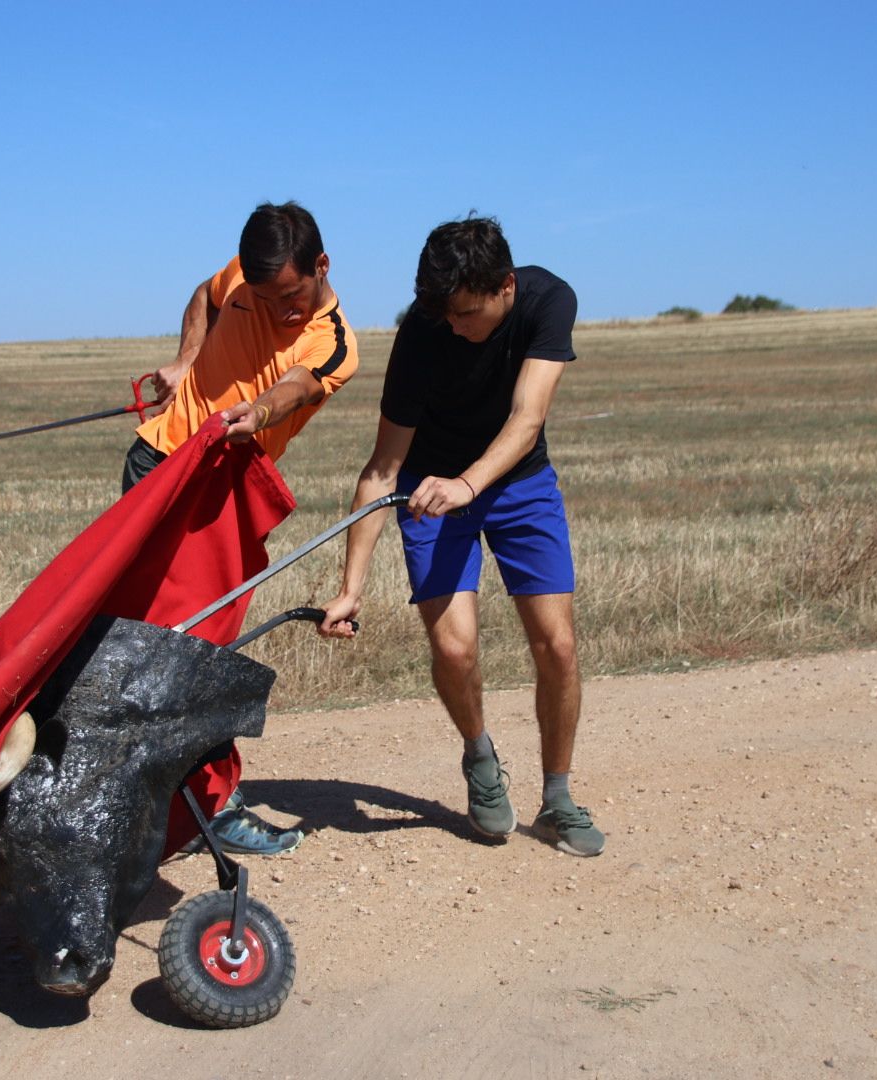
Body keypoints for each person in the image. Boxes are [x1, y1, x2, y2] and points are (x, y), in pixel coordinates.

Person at [318, 215, 604, 857]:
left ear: (505, 286)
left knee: (556, 645)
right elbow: (382, 470)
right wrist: (350, 589)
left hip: (515, 483)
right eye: (444, 313)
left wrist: (469, 485)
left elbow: (528, 419)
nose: (454, 326)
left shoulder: (547, 300)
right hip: (430, 490)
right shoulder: (423, 331)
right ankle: (480, 756)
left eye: (466, 313)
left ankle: (557, 797)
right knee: (455, 650)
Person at [124, 200, 358, 855]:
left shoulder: (335, 340)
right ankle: (158, 806)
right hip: (153, 465)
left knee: (199, 650)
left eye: (292, 295)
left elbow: (298, 387)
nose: (282, 309)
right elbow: (206, 293)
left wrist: (256, 413)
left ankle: (209, 806)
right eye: (266, 297)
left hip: (219, 494)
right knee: (139, 644)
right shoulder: (243, 279)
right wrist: (182, 363)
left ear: (322, 265)